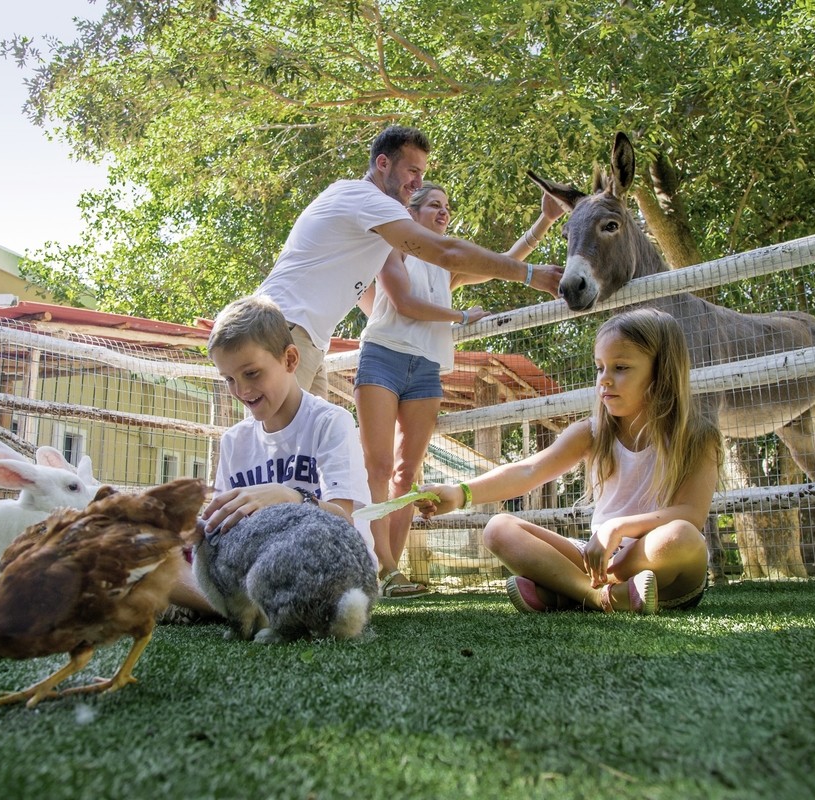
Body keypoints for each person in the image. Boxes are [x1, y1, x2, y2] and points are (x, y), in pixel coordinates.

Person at [414, 308, 722, 614]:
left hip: (663, 567)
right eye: (600, 368)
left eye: (621, 367)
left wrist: (617, 527)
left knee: (682, 537)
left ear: (662, 371)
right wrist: (460, 493)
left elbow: (690, 514)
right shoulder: (592, 432)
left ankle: (566, 592)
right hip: (600, 561)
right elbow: (529, 470)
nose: (605, 380)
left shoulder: (697, 435)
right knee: (498, 528)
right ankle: (598, 598)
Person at [356, 182, 566, 598]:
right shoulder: (390, 246)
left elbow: (505, 262)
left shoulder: (446, 268)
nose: (443, 212)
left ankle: (392, 575)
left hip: (427, 370)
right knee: (376, 469)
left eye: (446, 207)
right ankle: (377, 566)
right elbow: (403, 303)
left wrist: (546, 218)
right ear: (411, 213)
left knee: (404, 474)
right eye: (434, 204)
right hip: (383, 357)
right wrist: (461, 316)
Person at [255, 125, 563, 398]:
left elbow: (475, 261)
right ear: (383, 163)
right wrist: (526, 277)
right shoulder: (369, 202)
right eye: (412, 171)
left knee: (305, 455)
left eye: (422, 174)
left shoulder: (371, 224)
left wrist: (544, 223)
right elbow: (444, 256)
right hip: (287, 328)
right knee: (274, 451)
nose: (418, 182)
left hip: (309, 340)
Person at [165, 295, 375, 617]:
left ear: (290, 360)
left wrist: (288, 497)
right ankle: (236, 606)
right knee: (156, 555)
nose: (242, 391)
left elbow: (345, 520)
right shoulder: (235, 440)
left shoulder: (330, 423)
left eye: (251, 373)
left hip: (330, 569)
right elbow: (222, 526)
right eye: (229, 379)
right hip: (260, 568)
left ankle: (221, 608)